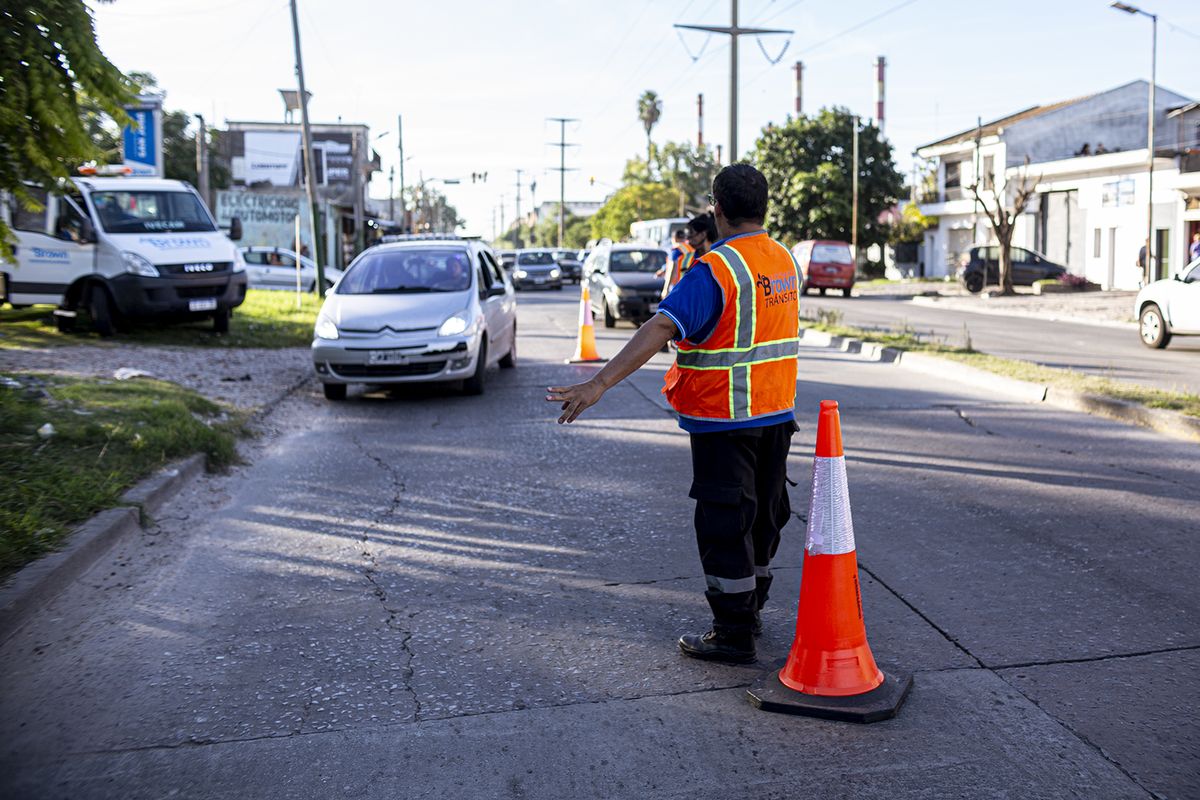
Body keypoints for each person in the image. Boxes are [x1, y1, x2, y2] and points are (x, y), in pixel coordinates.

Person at [547, 164, 800, 664]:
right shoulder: (783, 259)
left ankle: (733, 633)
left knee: (726, 523)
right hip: (775, 415)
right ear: (764, 206)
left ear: (718, 209)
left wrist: (599, 382)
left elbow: (663, 327)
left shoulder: (718, 269)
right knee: (764, 520)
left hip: (724, 420)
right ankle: (751, 611)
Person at [660, 212, 718, 301]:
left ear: (703, 234)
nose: (688, 239)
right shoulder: (686, 256)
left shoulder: (719, 257)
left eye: (691, 234)